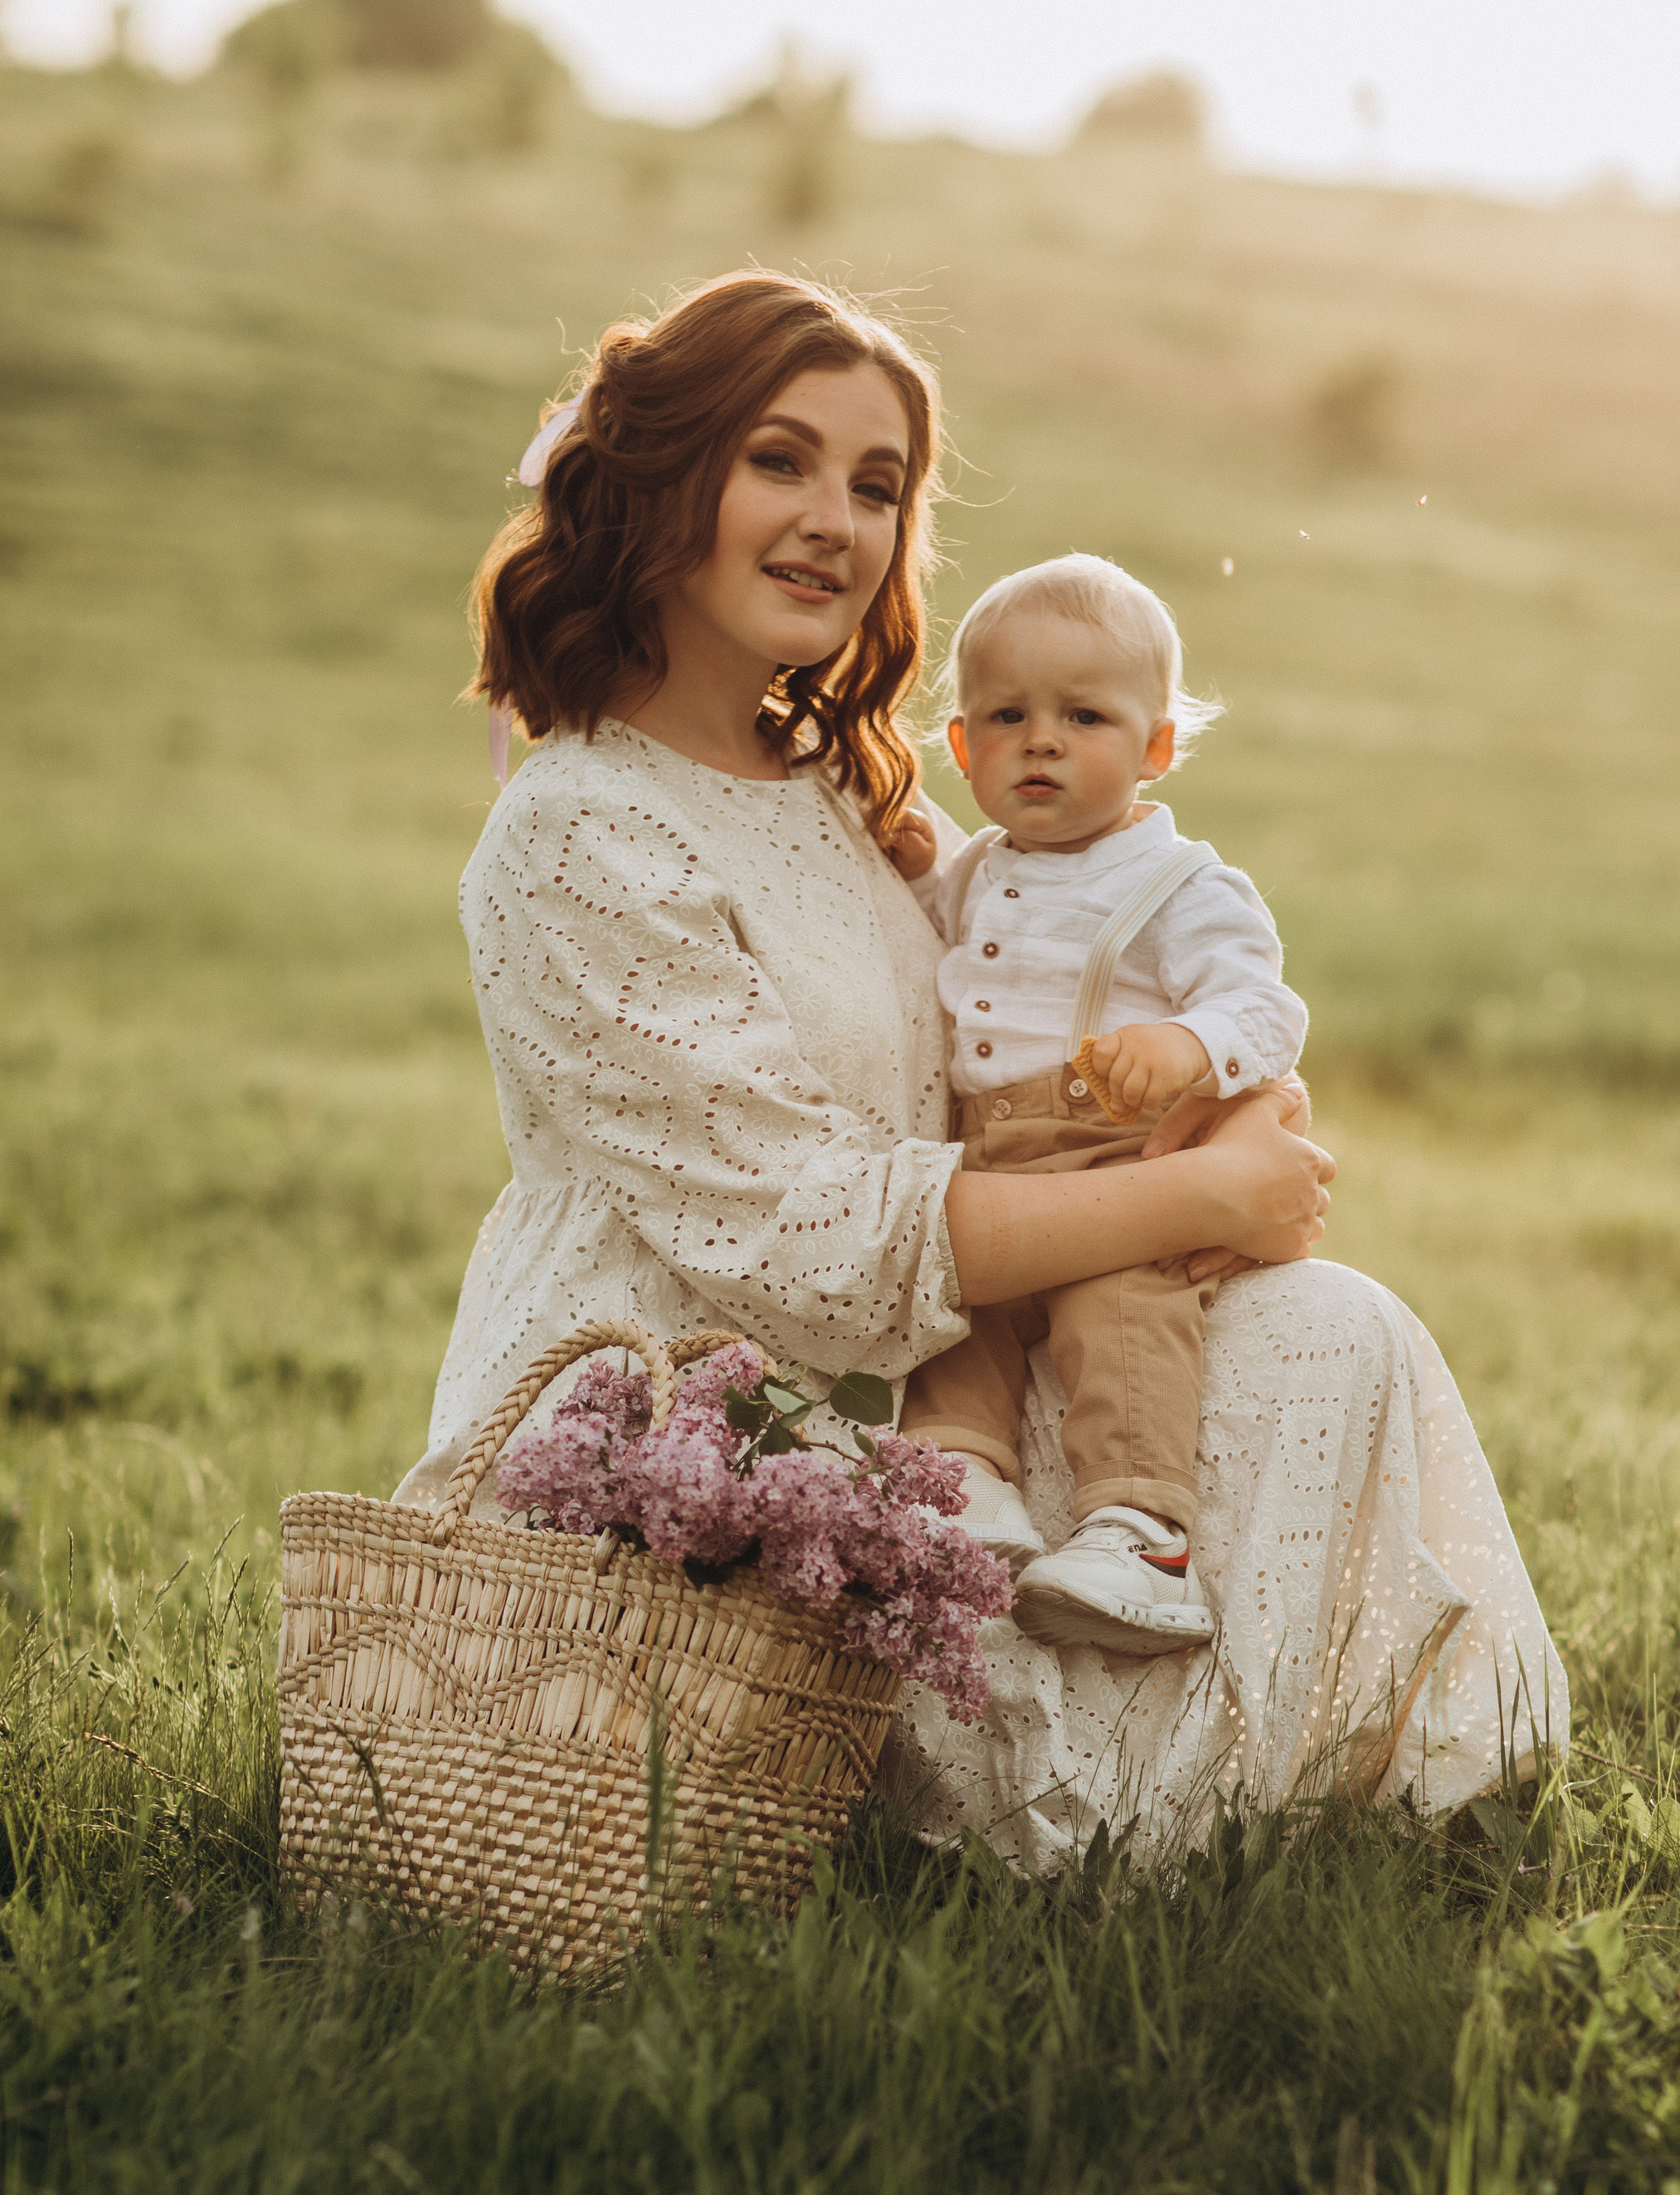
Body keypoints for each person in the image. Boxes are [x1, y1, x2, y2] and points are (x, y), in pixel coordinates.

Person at [395, 266, 1567, 1869]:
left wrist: (1224, 1104)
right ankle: (1098, 1814)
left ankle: (1275, 1764)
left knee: (1333, 1330)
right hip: (715, 1416)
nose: (837, 521)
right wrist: (1194, 1196)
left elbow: (1053, 978)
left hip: (946, 1346)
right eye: (781, 461)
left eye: (878, 487)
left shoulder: (838, 788)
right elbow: (813, 1259)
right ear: (662, 476)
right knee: (1045, 1786)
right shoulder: (579, 833)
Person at [891, 555, 1307, 1659]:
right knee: (951, 1318)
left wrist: (1188, 1046)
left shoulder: (1180, 886)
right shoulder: (975, 872)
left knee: (1122, 1321)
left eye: (1085, 716)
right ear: (965, 747)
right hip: (985, 1163)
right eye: (1008, 716)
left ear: (1157, 746)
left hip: (1114, 1164)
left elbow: (1264, 1009)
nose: (1042, 740)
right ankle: (965, 1484)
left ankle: (1140, 1532)